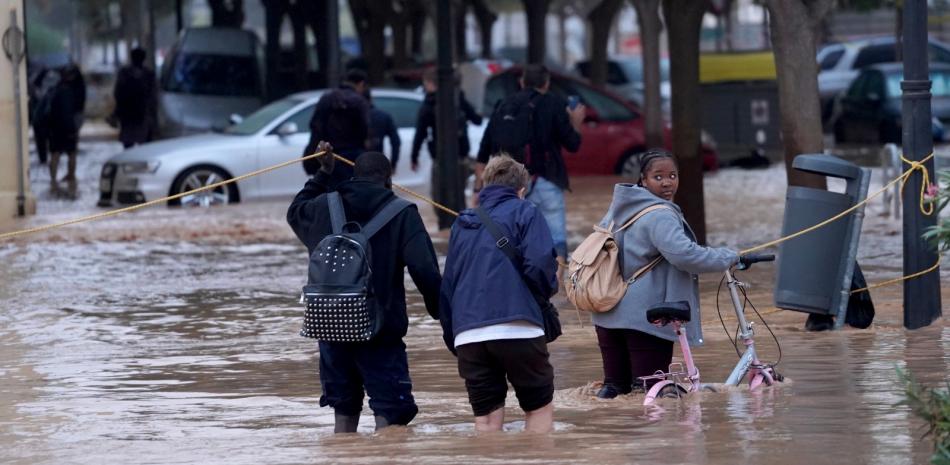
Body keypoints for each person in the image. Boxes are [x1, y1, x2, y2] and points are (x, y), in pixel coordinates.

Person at [286, 142, 442, 433]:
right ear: (388, 179)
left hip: (332, 328)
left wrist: (322, 174)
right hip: (380, 332)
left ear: (354, 175)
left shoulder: (323, 205)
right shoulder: (402, 212)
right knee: (391, 415)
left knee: (344, 410)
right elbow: (425, 270)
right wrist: (442, 313)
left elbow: (294, 212)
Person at [591, 150, 738, 399]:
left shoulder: (617, 210)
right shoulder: (660, 214)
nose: (667, 182)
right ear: (643, 180)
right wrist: (730, 257)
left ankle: (609, 437)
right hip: (647, 318)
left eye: (672, 175)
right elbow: (686, 255)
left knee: (615, 394)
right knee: (651, 394)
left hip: (607, 314)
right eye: (658, 177)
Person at [439, 155, 558, 433]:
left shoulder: (462, 223)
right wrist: (544, 295)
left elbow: (448, 285)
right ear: (521, 190)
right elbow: (539, 266)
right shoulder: (526, 211)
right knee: (538, 409)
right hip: (519, 329)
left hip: (468, 335)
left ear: (484, 185)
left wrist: (454, 336)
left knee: (486, 420)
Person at [476, 64, 584, 263]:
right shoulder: (553, 104)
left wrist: (478, 189)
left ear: (522, 82)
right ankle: (556, 286)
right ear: (546, 83)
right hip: (546, 179)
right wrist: (575, 122)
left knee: (513, 236)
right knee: (555, 238)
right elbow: (573, 144)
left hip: (507, 184)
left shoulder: (503, 104)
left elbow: (484, 151)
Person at [410, 68, 483, 230]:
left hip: (440, 158)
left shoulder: (429, 104)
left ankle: (446, 226)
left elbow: (420, 133)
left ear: (431, 84)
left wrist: (414, 156)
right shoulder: (459, 100)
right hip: (461, 156)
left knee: (439, 195)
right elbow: (477, 119)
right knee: (459, 194)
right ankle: (462, 225)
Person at [302, 69, 370, 181]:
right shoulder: (359, 101)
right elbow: (365, 131)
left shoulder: (326, 98)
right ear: (361, 84)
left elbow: (316, 128)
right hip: (351, 158)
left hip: (326, 156)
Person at [48, 63, 86, 187]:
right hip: (67, 126)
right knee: (70, 153)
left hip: (56, 127)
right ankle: (69, 176)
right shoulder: (75, 89)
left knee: (57, 153)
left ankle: (55, 179)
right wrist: (73, 128)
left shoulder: (58, 89)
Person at [113, 47, 158, 148]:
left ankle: (130, 161)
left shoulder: (124, 73)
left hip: (127, 114)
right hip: (143, 114)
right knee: (144, 144)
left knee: (128, 144)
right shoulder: (149, 74)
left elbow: (117, 93)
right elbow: (153, 96)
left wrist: (118, 110)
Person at [29, 65, 60, 165]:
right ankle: (45, 159)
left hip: (41, 120)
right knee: (45, 142)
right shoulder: (46, 89)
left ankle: (44, 159)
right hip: (42, 120)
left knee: (43, 142)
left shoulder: (42, 89)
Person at [364, 89, 401, 170]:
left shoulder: (350, 117)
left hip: (353, 163)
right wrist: (393, 163)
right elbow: (396, 142)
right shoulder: (383, 116)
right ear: (370, 99)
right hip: (377, 162)